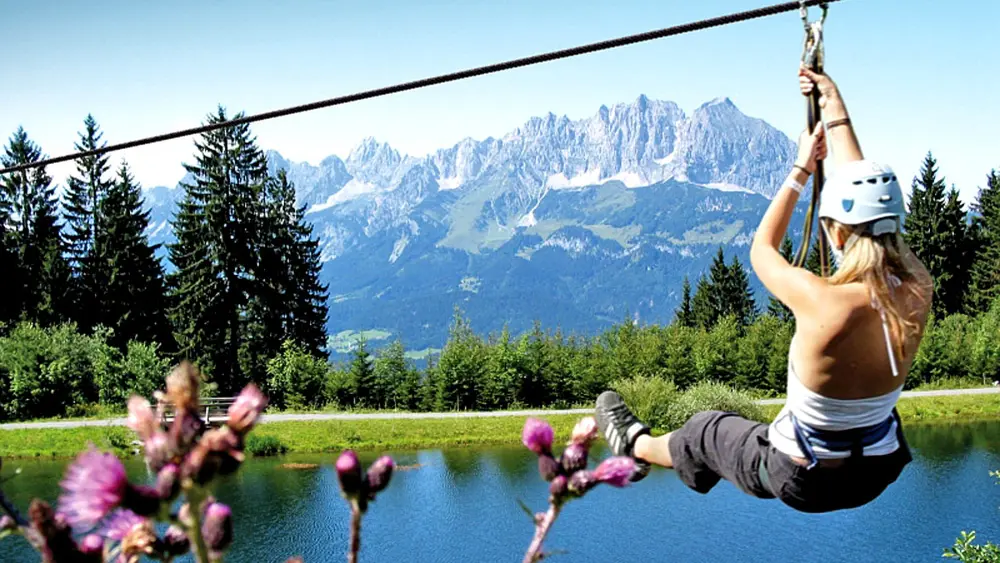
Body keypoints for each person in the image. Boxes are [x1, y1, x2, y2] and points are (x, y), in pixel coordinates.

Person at [594, 65, 934, 514]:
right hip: (875, 473)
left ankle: (635, 446)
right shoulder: (916, 292)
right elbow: (867, 198)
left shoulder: (822, 301)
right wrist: (832, 104)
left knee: (705, 431)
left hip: (802, 478)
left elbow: (761, 249)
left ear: (833, 233)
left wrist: (800, 169)